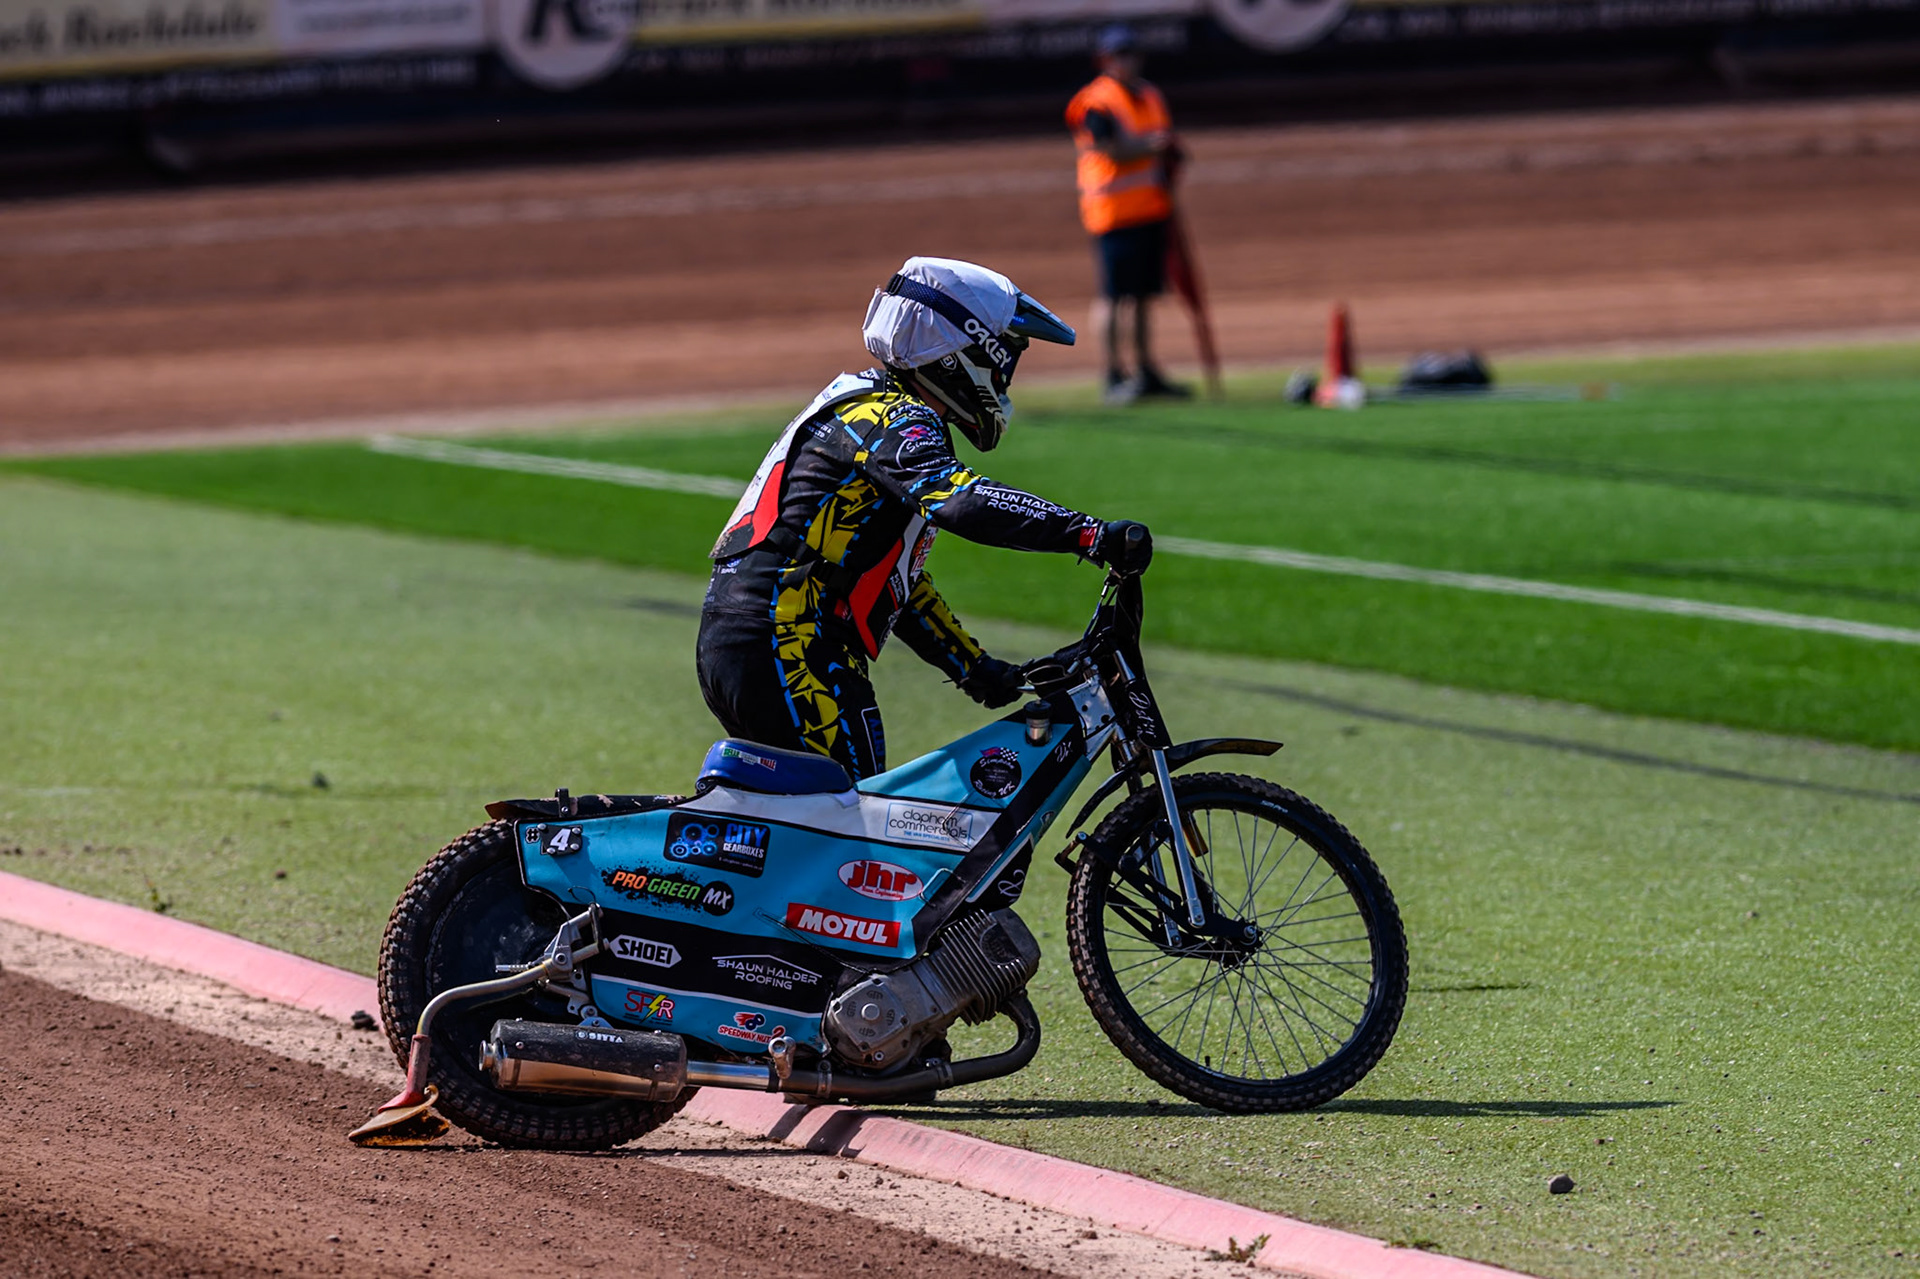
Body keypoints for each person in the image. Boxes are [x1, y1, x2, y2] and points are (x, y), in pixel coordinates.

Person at [697, 256, 1153, 781]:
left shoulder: (873, 404)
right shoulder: (895, 417)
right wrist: (1091, 535)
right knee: (847, 823)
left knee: (812, 825)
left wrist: (975, 670)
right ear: (962, 355)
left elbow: (894, 585)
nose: (1007, 380)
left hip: (756, 639)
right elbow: (965, 503)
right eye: (1006, 361)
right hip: (785, 644)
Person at [1065, 23, 1191, 406]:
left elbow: (1163, 142)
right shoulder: (1096, 102)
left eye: (1132, 53)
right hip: (1113, 213)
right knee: (1115, 296)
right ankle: (1113, 373)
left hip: (1151, 208)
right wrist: (1153, 148)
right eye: (1120, 54)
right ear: (1105, 60)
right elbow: (1110, 150)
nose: (1128, 61)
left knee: (1142, 296)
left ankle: (1145, 371)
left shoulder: (1150, 95)